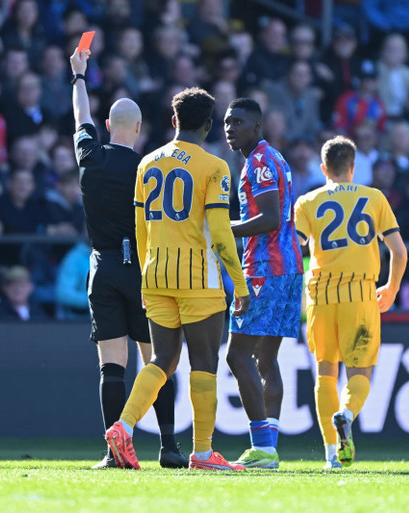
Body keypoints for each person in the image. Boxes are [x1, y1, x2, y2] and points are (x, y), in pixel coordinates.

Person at [104, 87, 250, 471]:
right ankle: (202, 453)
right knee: (203, 363)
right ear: (209, 125)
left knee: (161, 360)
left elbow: (139, 229)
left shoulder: (147, 163)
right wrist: (241, 283)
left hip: (155, 273)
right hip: (198, 278)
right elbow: (220, 234)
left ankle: (123, 425)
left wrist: (145, 271)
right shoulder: (215, 167)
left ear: (174, 121)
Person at [70, 48, 187, 469]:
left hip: (101, 268)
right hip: (142, 270)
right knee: (156, 361)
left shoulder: (90, 158)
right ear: (138, 129)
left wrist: (78, 77)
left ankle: (112, 452)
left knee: (111, 367)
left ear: (107, 126)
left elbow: (80, 118)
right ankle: (169, 447)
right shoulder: (146, 169)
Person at [294, 135, 407, 468]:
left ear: (323, 168)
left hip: (320, 294)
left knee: (325, 373)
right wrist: (391, 288)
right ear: (353, 167)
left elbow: (292, 249)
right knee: (361, 372)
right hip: (360, 294)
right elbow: (398, 251)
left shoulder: (307, 202)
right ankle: (346, 414)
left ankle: (332, 455)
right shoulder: (373, 198)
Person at [222, 98, 304, 469]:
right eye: (226, 122)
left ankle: (262, 446)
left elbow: (270, 218)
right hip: (288, 267)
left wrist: (222, 229)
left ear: (257, 127)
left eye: (237, 122)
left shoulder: (259, 162)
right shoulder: (274, 158)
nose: (229, 128)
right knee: (265, 358)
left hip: (265, 268)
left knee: (237, 355)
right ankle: (267, 449)